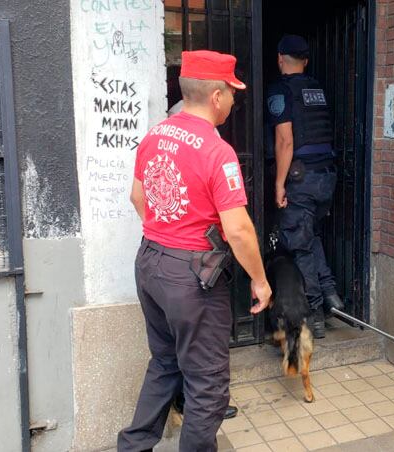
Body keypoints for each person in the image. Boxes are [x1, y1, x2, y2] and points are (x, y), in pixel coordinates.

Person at [118, 50, 272, 452]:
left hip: (150, 262)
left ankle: (132, 447)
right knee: (207, 387)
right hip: (190, 276)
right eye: (233, 92)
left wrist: (167, 233)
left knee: (165, 364)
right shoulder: (216, 151)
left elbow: (138, 197)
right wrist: (259, 279)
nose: (235, 101)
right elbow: (238, 230)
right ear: (217, 96)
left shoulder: (155, 134)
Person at [265, 34, 343, 339]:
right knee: (310, 238)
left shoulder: (280, 90)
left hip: (301, 179)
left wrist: (278, 184)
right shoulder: (316, 89)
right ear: (306, 61)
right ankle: (331, 294)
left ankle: (314, 315)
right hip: (326, 177)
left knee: (299, 245)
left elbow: (285, 141)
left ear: (280, 58)